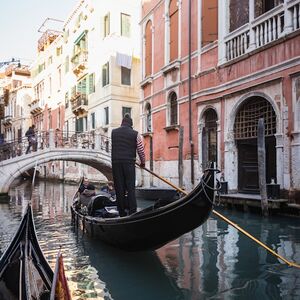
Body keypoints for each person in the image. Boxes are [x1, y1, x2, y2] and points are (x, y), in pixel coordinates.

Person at [111, 113, 145, 216]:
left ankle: (121, 213)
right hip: (129, 162)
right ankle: (132, 212)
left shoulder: (113, 132)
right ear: (131, 124)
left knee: (119, 188)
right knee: (130, 188)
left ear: (122, 123)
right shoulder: (135, 133)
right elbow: (140, 149)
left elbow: (114, 147)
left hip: (116, 162)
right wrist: (143, 162)